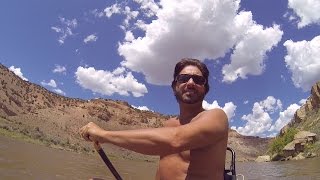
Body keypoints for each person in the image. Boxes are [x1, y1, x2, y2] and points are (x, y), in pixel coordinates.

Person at [80, 58, 229, 180]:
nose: (190, 83)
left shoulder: (216, 117)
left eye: (198, 80)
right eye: (183, 78)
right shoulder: (168, 125)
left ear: (205, 88)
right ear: (174, 86)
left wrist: (104, 135)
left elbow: (176, 140)